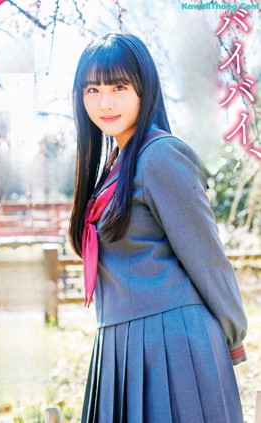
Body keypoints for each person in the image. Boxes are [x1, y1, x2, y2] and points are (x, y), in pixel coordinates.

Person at [69, 32, 247, 423]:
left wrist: (232, 335)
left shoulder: (160, 155)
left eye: (119, 86)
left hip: (173, 343)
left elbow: (206, 256)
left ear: (143, 88)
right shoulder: (115, 163)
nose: (105, 102)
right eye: (92, 89)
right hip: (120, 341)